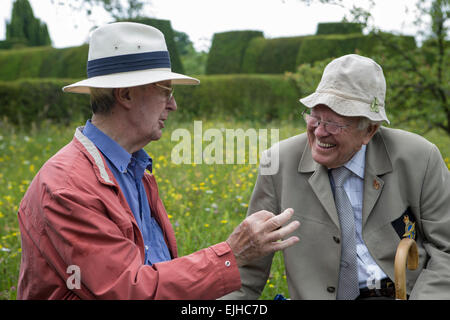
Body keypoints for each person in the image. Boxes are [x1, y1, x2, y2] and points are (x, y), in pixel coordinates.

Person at [16, 22, 300, 300]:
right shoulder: (68, 188)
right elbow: (128, 290)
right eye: (165, 90)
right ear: (125, 94)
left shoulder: (131, 168)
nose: (173, 105)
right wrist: (231, 255)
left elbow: (154, 272)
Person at [221, 54, 450, 300]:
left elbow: (446, 249)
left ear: (369, 130)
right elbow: (248, 266)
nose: (319, 132)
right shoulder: (278, 163)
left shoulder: (419, 157)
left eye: (334, 124)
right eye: (315, 118)